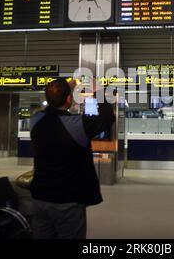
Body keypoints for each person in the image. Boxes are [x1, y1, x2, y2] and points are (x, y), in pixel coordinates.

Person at [29, 79, 115, 239]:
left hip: (39, 198)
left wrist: (64, 90)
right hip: (67, 201)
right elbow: (106, 116)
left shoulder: (35, 121)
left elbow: (49, 109)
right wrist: (98, 91)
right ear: (69, 99)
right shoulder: (75, 126)